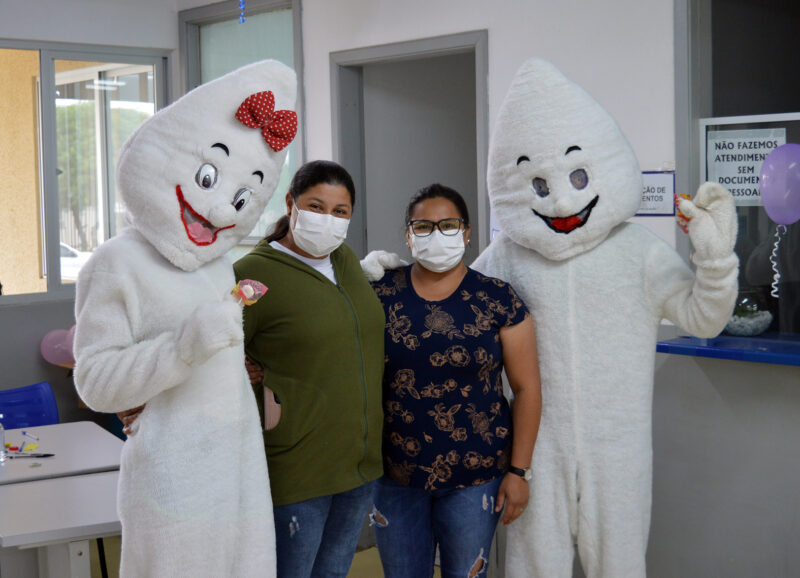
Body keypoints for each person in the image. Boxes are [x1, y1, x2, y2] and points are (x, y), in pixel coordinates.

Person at [368, 183, 542, 578]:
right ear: (408, 236)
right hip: (394, 473)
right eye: (424, 226)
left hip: (476, 475)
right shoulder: (380, 295)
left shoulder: (497, 299)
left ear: (465, 232)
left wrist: (518, 472)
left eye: (448, 225)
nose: (436, 234)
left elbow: (528, 389)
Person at [233, 160, 385, 578]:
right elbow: (213, 353)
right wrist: (246, 372)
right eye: (316, 206)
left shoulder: (345, 259)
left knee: (334, 572)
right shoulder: (252, 275)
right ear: (290, 203)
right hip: (297, 466)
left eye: (340, 212)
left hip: (358, 462)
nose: (328, 220)